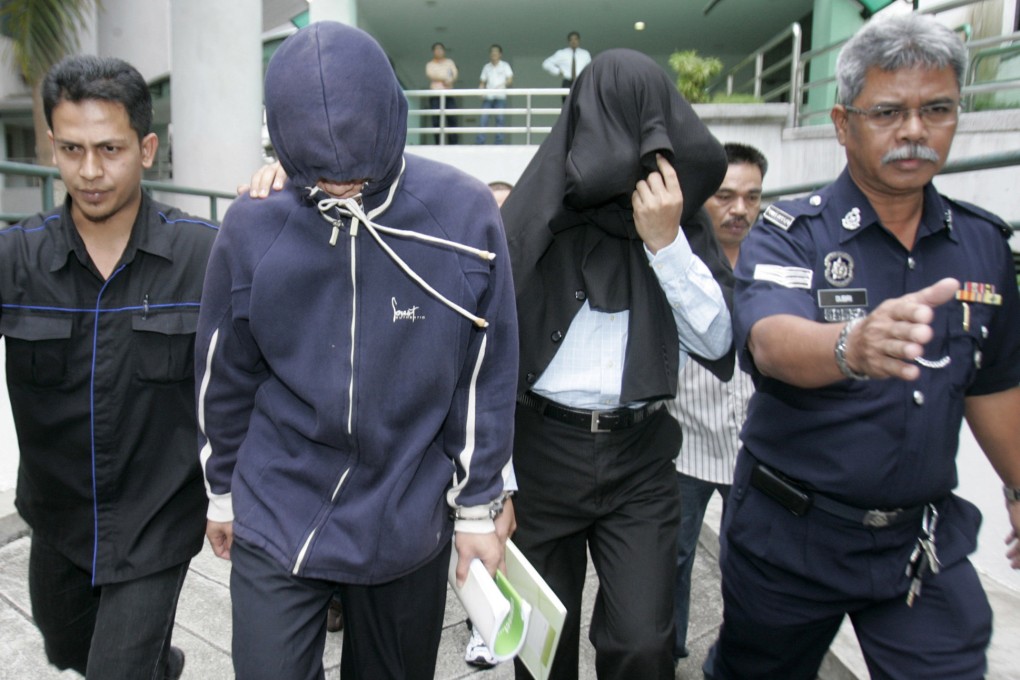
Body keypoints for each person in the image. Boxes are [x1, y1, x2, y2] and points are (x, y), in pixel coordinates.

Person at [197, 21, 518, 680]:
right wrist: (221, 492)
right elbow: (222, 372)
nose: (343, 189)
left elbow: (486, 375)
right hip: (277, 502)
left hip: (406, 511)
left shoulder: (465, 217)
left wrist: (478, 505)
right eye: (321, 173)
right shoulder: (254, 224)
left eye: (361, 173)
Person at [707, 14, 1020, 679]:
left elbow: (994, 383)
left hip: (919, 544)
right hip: (790, 541)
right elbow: (769, 341)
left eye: (936, 109)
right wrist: (850, 345)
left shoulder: (984, 245)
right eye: (888, 112)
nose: (913, 130)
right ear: (844, 123)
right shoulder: (790, 232)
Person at [501, 49, 735, 680]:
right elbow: (486, 353)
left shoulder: (682, 223)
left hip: (641, 457)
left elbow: (717, 344)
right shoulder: (531, 213)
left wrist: (666, 244)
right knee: (540, 648)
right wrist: (492, 480)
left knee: (642, 645)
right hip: (541, 452)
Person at [0, 55, 215, 679]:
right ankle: (161, 667)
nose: (89, 171)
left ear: (146, 148)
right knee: (67, 652)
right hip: (60, 520)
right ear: (50, 146)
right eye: (71, 149)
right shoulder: (18, 260)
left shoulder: (203, 256)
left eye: (109, 149)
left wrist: (289, 187)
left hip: (158, 519)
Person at [665, 142, 766, 664]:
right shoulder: (679, 256)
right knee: (674, 559)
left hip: (755, 449)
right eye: (725, 196)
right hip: (686, 444)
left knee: (749, 564)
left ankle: (736, 658)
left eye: (751, 196)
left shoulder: (776, 261)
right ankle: (671, 654)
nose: (739, 209)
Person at [476, 45, 514, 145]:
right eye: (492, 52)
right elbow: (482, 82)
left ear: (500, 54)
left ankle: (499, 142)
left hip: (500, 97)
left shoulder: (505, 65)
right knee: (483, 119)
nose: (494, 54)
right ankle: (480, 141)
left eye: (496, 52)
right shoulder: (486, 67)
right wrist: (480, 91)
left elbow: (510, 79)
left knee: (500, 119)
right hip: (488, 97)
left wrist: (502, 85)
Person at [426, 42, 459, 145]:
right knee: (436, 120)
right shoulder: (430, 64)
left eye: (440, 49)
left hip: (448, 94)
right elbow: (431, 75)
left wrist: (451, 79)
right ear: (433, 52)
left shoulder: (449, 62)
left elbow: (455, 74)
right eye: (436, 49)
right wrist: (445, 78)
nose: (438, 51)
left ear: (444, 51)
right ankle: (438, 143)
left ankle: (453, 144)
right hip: (436, 95)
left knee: (452, 119)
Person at [542, 31, 592, 99]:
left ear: (579, 40)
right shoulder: (562, 53)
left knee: (581, 102)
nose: (573, 41)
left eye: (575, 39)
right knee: (567, 104)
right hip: (567, 82)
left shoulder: (585, 54)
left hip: (581, 81)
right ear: (568, 41)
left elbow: (590, 68)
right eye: (571, 39)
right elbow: (546, 63)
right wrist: (558, 71)